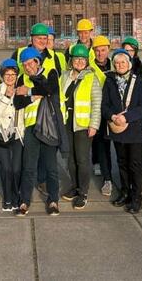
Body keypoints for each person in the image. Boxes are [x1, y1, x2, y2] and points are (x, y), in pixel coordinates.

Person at [14, 47, 67, 216]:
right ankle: (24, 201)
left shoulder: (50, 73)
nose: (28, 67)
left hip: (48, 127)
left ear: (37, 61)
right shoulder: (22, 78)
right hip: (31, 128)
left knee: (51, 167)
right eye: (24, 65)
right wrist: (32, 97)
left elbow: (50, 90)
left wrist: (28, 91)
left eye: (30, 63)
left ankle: (53, 201)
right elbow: (18, 102)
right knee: (28, 167)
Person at [102, 49, 142, 214]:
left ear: (129, 64)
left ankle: (136, 197)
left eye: (123, 62)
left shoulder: (139, 81)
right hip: (117, 128)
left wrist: (126, 117)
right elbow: (104, 105)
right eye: (117, 63)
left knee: (135, 165)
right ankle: (125, 192)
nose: (120, 65)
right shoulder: (109, 81)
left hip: (135, 130)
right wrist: (112, 116)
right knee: (121, 162)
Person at [60, 44, 102, 209]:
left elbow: (96, 104)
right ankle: (75, 186)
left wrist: (94, 125)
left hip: (83, 126)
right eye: (76, 59)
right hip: (67, 123)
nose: (79, 62)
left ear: (87, 61)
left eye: (82, 59)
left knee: (82, 160)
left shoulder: (92, 78)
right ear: (71, 60)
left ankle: (83, 193)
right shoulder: (65, 76)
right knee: (70, 159)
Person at [0, 58, 25, 211]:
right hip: (2, 133)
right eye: (7, 74)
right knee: (6, 168)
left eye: (13, 74)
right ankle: (7, 198)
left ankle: (16, 196)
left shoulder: (21, 89)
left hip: (17, 134)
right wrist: (6, 97)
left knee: (17, 169)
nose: (10, 77)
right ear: (2, 75)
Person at [89, 35, 114, 196]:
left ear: (108, 50)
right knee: (102, 146)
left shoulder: (116, 64)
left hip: (114, 111)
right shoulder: (89, 68)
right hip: (98, 111)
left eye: (103, 50)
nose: (100, 53)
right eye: (97, 51)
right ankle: (108, 179)